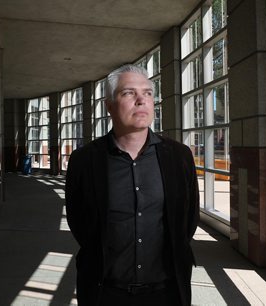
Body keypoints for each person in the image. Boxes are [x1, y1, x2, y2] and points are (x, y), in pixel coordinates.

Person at [66, 64, 199, 306]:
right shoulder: (84, 160)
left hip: (167, 292)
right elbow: (79, 222)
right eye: (128, 93)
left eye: (147, 93)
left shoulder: (179, 156)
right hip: (105, 292)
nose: (141, 100)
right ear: (109, 106)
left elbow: (187, 219)